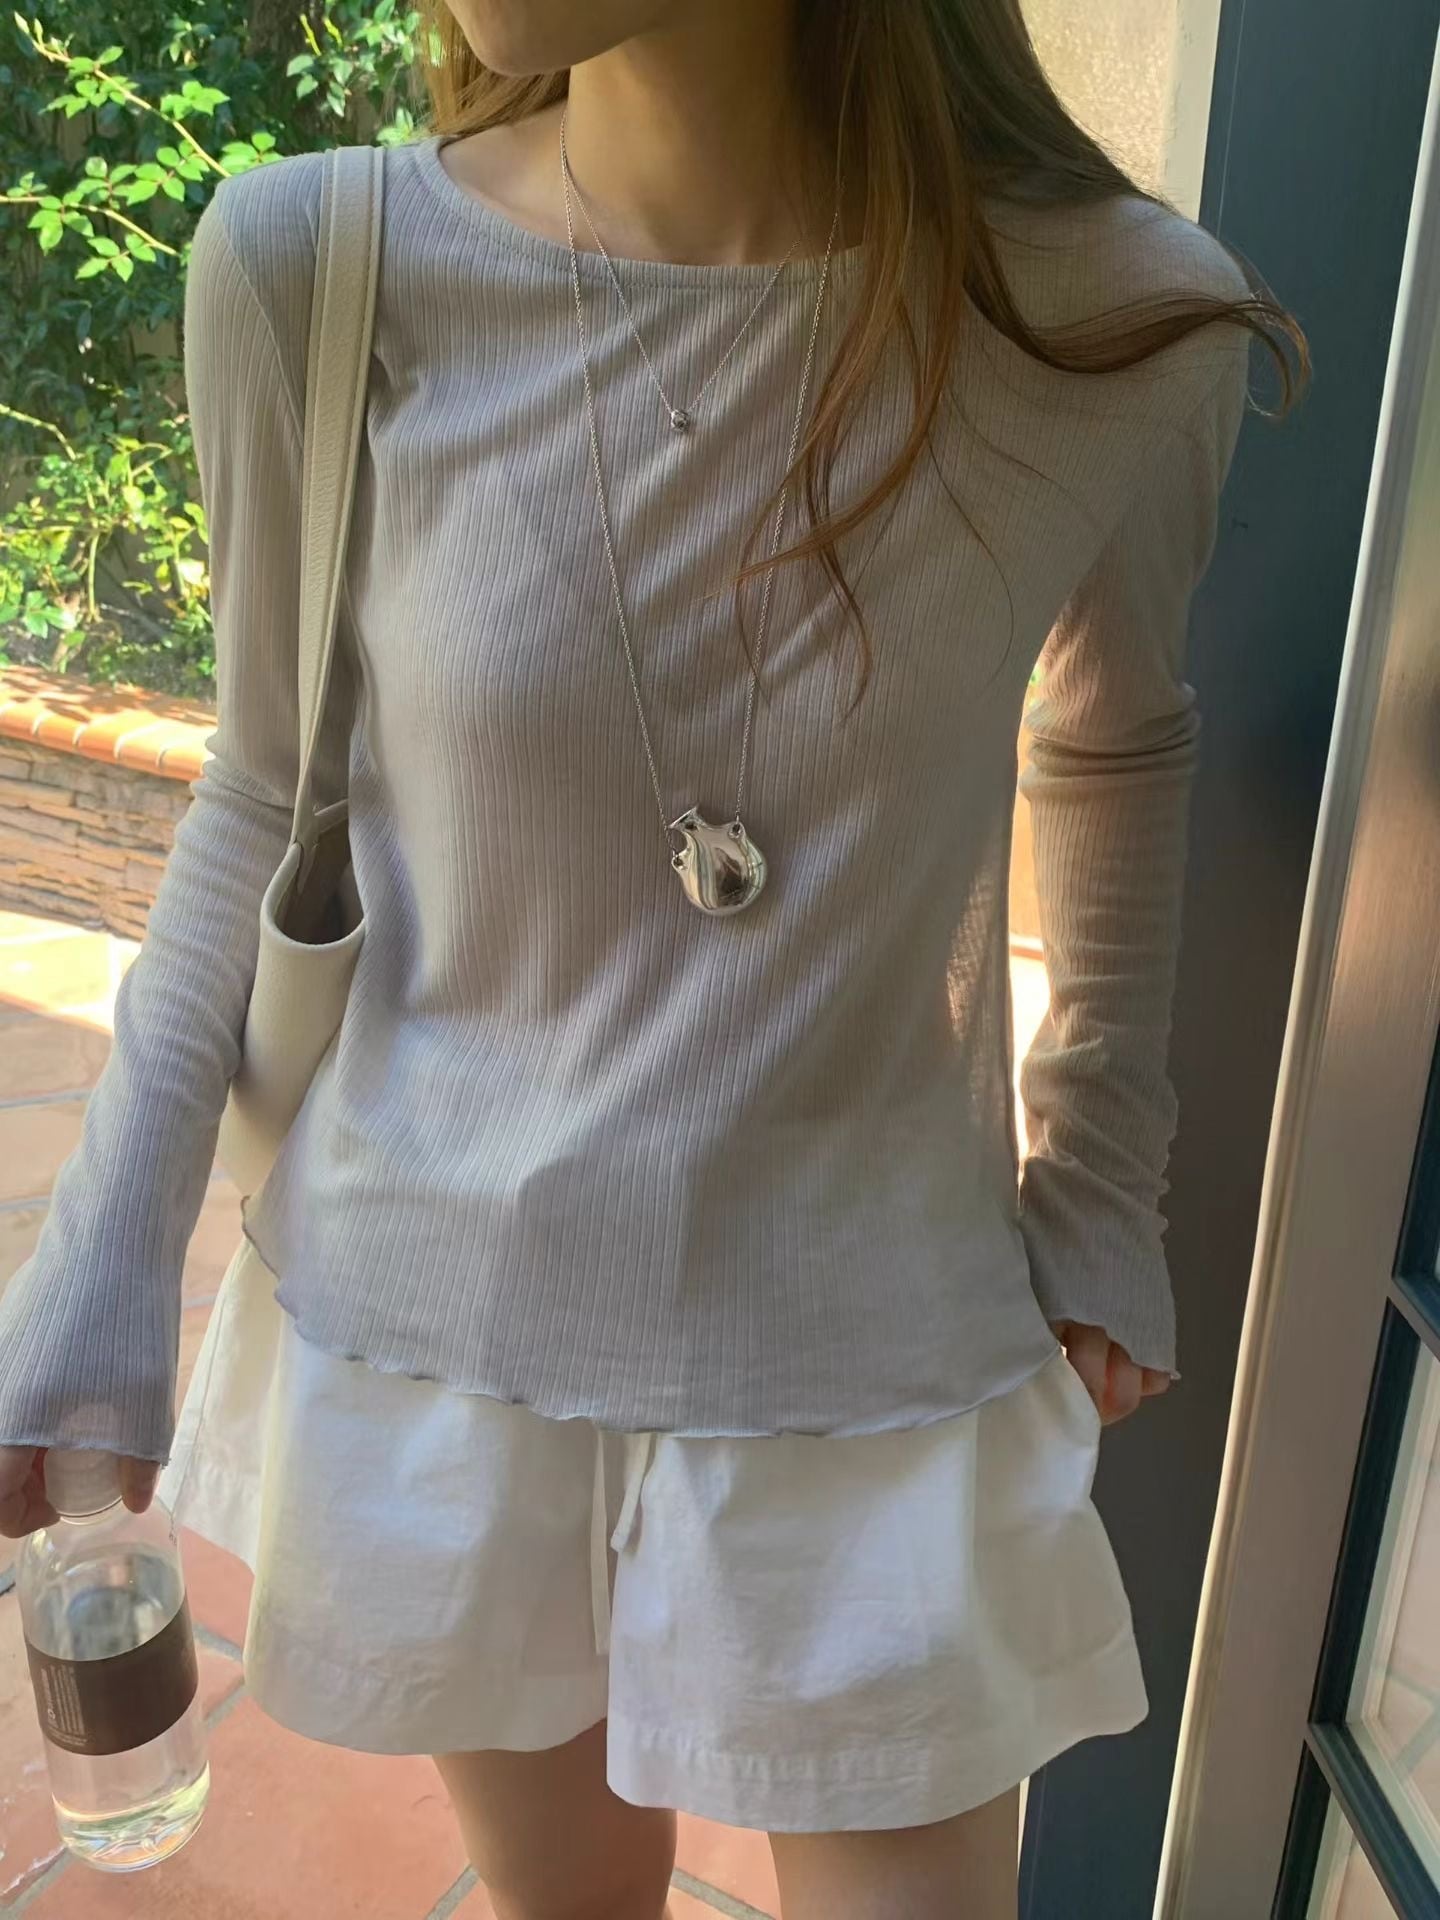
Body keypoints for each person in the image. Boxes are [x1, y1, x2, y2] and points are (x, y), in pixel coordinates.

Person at [0, 2, 1305, 1914]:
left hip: (868, 1332)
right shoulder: (318, 266)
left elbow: (1116, 737)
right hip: (450, 1325)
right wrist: (97, 1265)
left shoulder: (1115, 320)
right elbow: (265, 785)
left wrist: (1103, 1171)